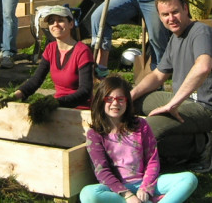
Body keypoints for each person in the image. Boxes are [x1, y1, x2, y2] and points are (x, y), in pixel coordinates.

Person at [129, 0, 212, 172]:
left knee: (148, 129)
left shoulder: (201, 32)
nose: (171, 18)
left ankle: (203, 144)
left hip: (206, 108)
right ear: (159, 17)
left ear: (185, 8)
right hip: (182, 102)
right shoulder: (175, 39)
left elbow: (203, 66)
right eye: (165, 15)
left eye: (175, 12)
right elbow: (159, 75)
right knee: (134, 103)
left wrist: (173, 104)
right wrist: (130, 95)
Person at [80, 75, 198, 203]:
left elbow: (152, 160)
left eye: (120, 99)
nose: (115, 103)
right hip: (116, 190)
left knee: (189, 179)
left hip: (144, 183)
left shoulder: (140, 125)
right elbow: (102, 171)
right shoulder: (95, 134)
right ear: (101, 101)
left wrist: (146, 188)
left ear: (127, 101)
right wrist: (128, 196)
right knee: (87, 194)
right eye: (109, 99)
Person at [0, 5, 94, 109]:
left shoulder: (82, 51)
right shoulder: (50, 49)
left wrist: (58, 102)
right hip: (57, 105)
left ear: (71, 24)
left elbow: (85, 91)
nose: (55, 24)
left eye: (60, 20)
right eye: (51, 21)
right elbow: (36, 80)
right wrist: (14, 95)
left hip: (79, 108)